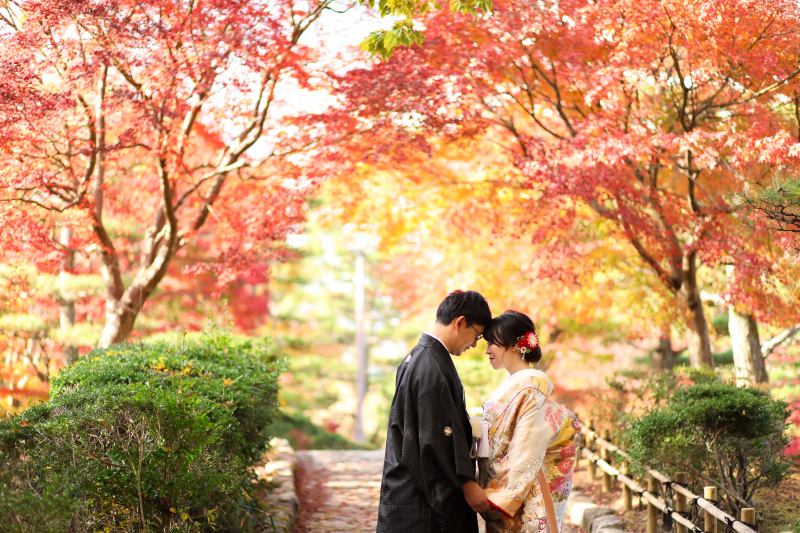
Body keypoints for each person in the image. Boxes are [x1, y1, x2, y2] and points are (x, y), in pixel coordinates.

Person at [376, 290, 493, 533]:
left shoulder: (417, 357)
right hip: (421, 503)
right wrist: (466, 483)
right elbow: (436, 438)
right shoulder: (432, 366)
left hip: (405, 490)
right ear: (460, 322)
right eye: (477, 336)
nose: (474, 344)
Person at [477, 311, 581, 533]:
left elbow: (526, 453)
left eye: (491, 343)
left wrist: (497, 498)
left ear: (514, 345)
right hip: (501, 488)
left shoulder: (531, 390)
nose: (487, 350)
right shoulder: (513, 386)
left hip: (524, 497)